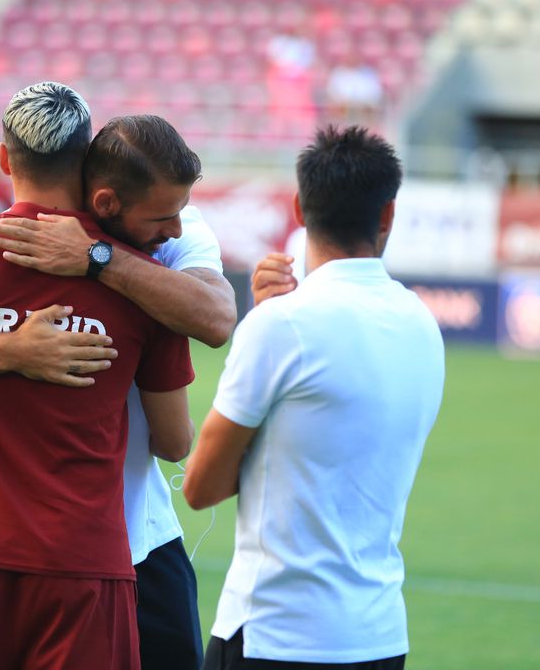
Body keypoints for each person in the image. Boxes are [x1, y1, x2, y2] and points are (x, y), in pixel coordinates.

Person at [0, 113, 236, 669]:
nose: (176, 230)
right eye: (163, 219)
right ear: (107, 197)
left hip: (130, 540)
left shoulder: (163, 244)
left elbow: (215, 317)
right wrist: (11, 348)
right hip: (50, 553)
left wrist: (98, 259)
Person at [184, 125, 445, 670]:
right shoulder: (423, 324)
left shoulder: (281, 325)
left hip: (277, 635)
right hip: (378, 636)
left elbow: (201, 486)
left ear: (299, 211)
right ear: (388, 216)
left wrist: (265, 323)